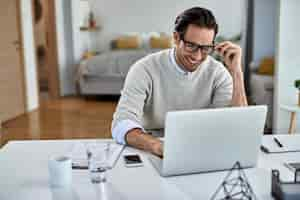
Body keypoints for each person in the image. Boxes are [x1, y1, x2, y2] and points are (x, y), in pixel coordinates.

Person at [111, 7, 247, 157]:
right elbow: (121, 125)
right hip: (152, 148)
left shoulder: (218, 73)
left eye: (205, 48)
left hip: (202, 149)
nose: (197, 56)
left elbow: (237, 126)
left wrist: (237, 72)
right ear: (176, 38)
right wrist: (160, 147)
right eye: (191, 46)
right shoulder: (144, 69)